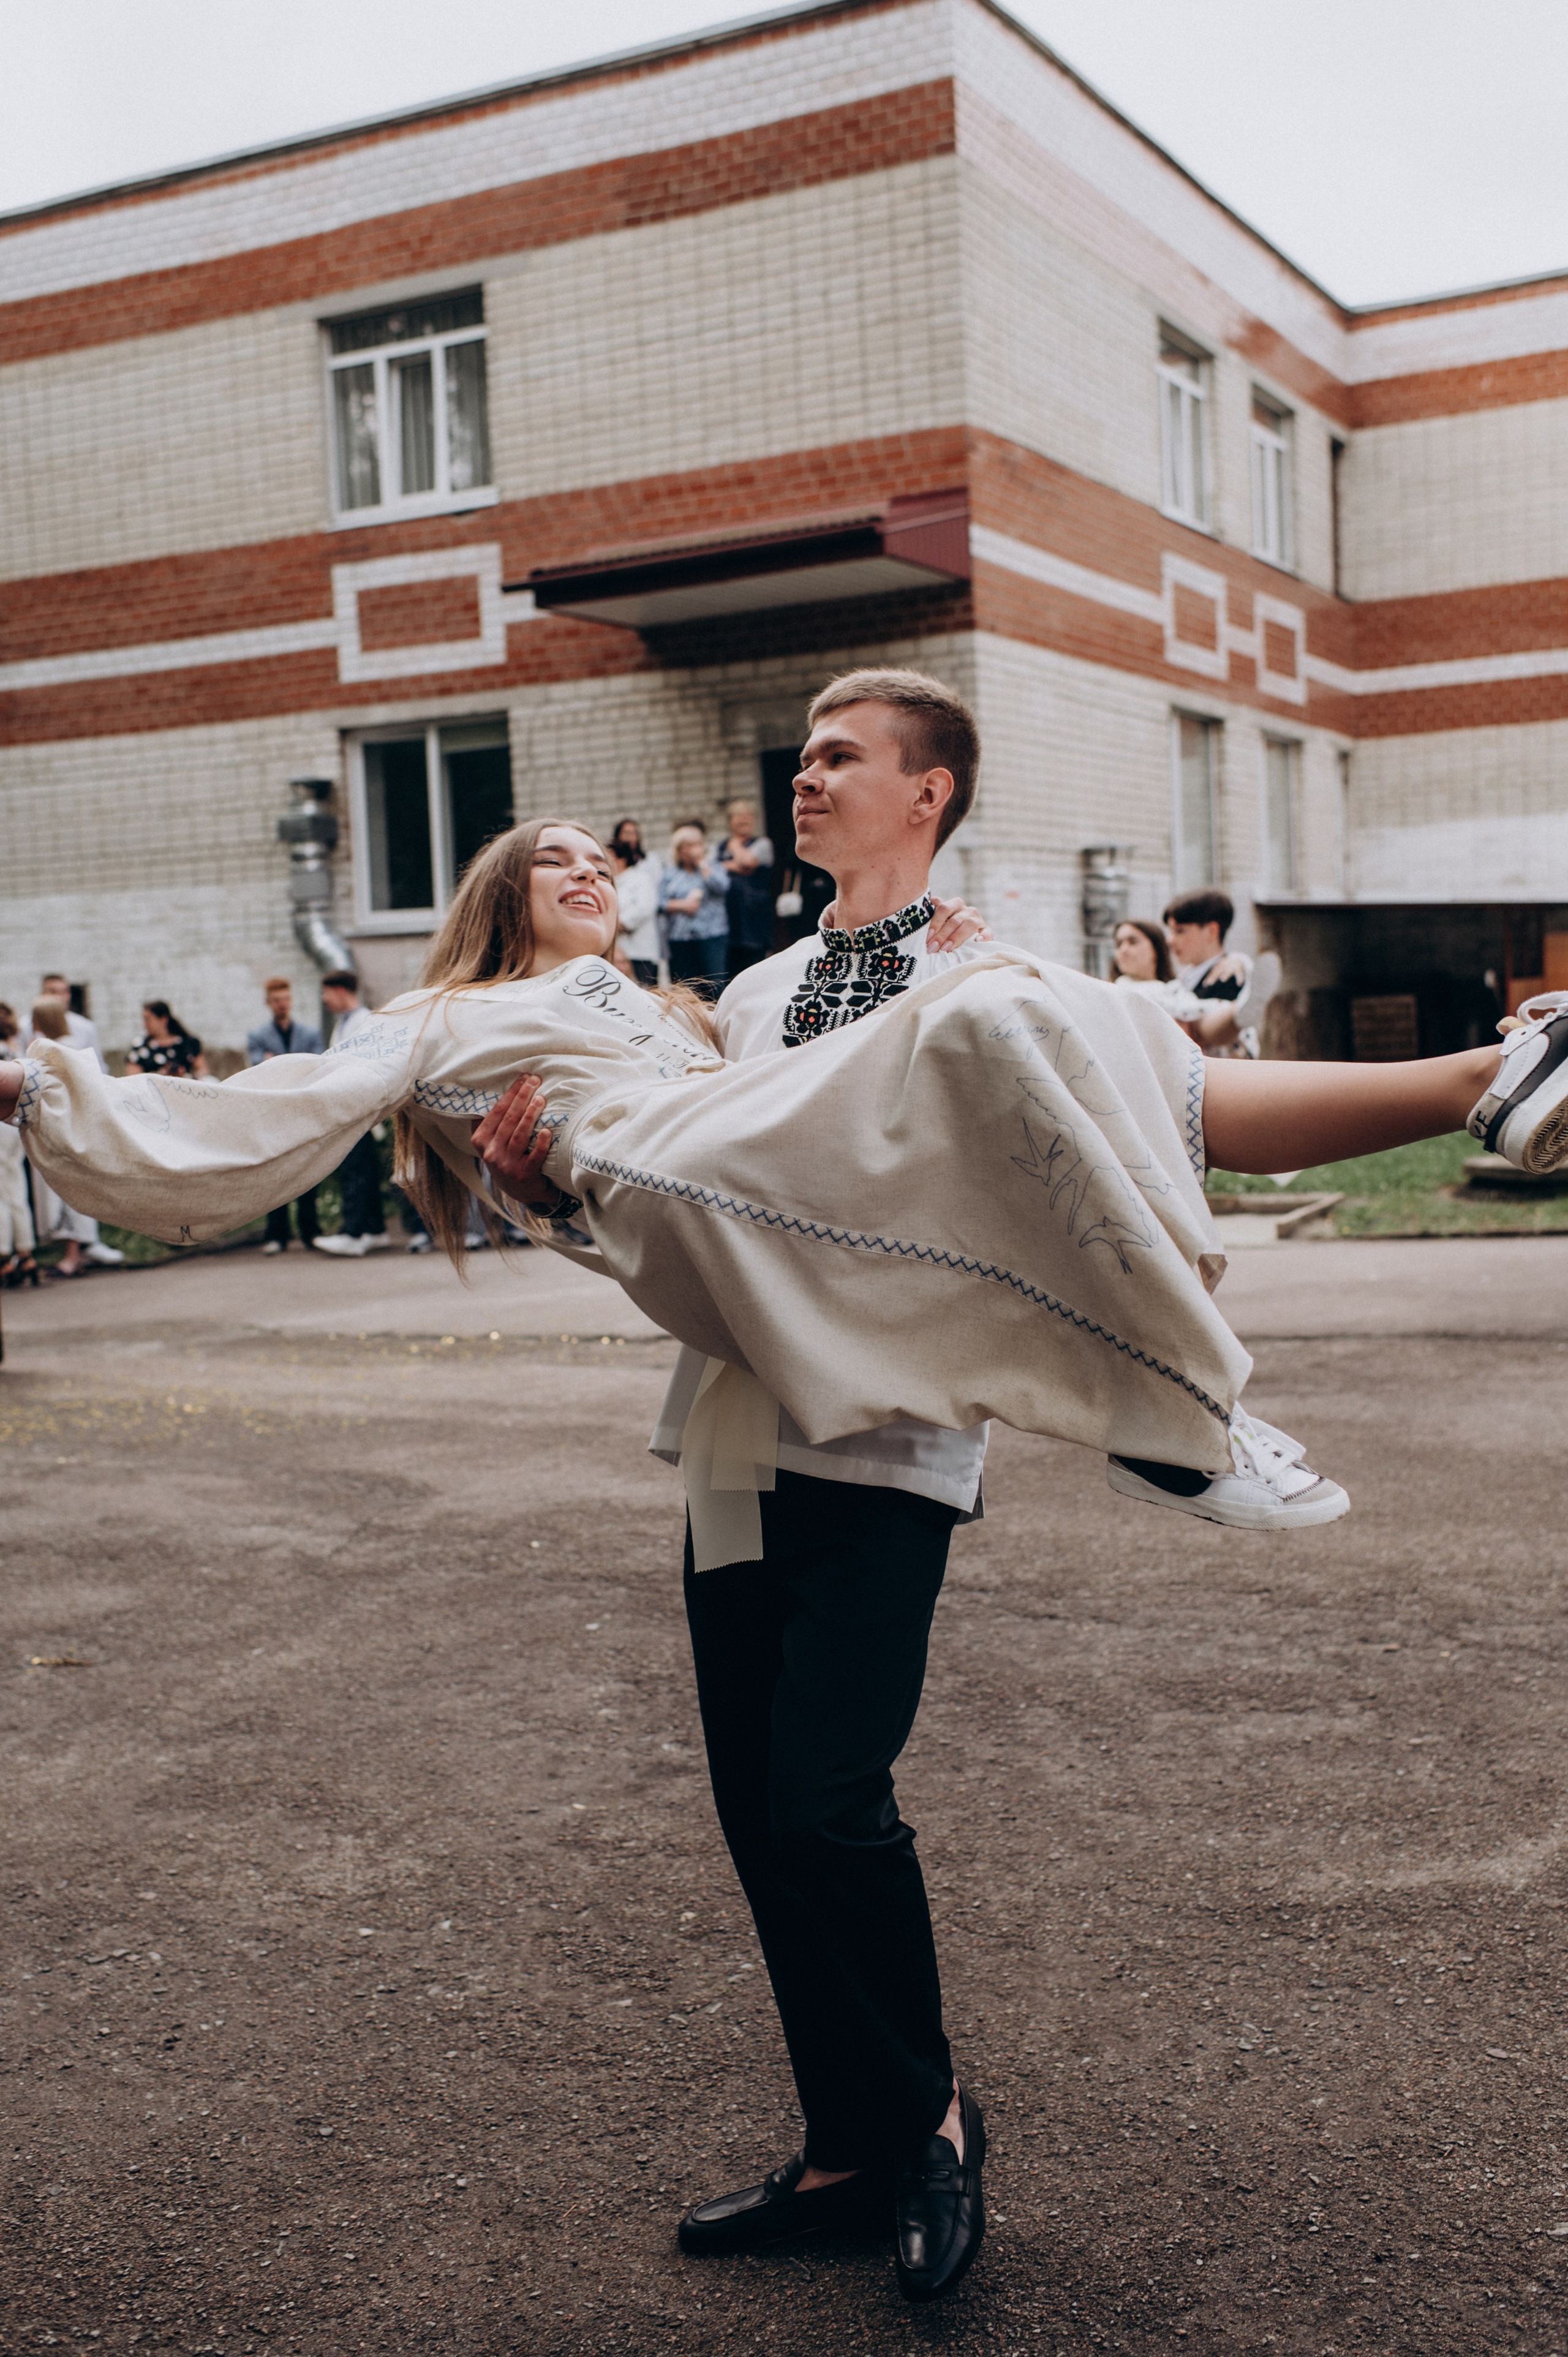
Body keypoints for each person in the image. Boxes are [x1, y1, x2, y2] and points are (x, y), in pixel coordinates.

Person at [7, 783, 1567, 2282]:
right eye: (545, 854)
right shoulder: (564, 1011)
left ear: (926, 794)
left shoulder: (746, 1007)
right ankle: (845, 2147)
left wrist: (1180, 1017)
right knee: (768, 1821)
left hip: (884, 1435)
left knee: (825, 1802)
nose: (583, 863)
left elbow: (1049, 1089)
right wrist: (54, 1088)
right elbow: (259, 1112)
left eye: (591, 853)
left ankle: (931, 2106)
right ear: (493, 902)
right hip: (740, 1431)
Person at [23, 997, 126, 1275]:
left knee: (69, 1187)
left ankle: (74, 1253)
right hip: (69, 1123)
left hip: (66, 1125)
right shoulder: (65, 1044)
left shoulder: (57, 1048)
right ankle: (75, 1250)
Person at [311, 971, 392, 1259]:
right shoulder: (343, 1024)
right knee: (363, 1170)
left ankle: (353, 1233)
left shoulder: (364, 1022)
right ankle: (375, 1230)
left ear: (341, 991)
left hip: (357, 1109)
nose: (324, 999)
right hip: (351, 1110)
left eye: (327, 992)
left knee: (355, 1172)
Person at [246, 977, 323, 1254]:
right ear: (269, 1003)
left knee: (307, 1171)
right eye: (277, 1000)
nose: (283, 1005)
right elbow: (257, 1070)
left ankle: (310, 1231)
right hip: (273, 1114)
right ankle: (277, 1234)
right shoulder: (257, 1036)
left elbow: (316, 1068)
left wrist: (275, 1064)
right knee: (275, 1175)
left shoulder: (310, 1034)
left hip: (303, 1113)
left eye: (286, 999)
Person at [658, 823, 729, 998]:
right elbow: (660, 903)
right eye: (688, 846)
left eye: (697, 844)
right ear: (679, 850)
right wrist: (683, 905)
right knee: (686, 990)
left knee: (714, 987)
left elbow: (722, 887)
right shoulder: (671, 873)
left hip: (711, 936)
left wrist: (702, 864)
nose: (693, 850)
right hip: (680, 939)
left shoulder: (712, 867)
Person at [717, 800, 775, 982]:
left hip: (754, 916)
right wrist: (737, 866)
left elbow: (748, 862)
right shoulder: (719, 846)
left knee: (754, 965)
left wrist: (734, 845)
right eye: (739, 815)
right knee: (731, 969)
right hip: (728, 916)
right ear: (730, 821)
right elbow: (714, 869)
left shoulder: (763, 844)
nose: (744, 819)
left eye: (748, 815)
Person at [0, 1004, 37, 1286]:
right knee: (17, 1189)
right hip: (16, 1124)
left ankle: (3, 1255)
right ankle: (26, 1253)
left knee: (1, 1193)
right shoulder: (17, 1047)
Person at [1112, 920, 1204, 1024]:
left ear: (1156, 949)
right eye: (1118, 944)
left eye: (1133, 942)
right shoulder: (1113, 994)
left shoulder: (1177, 990)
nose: (1123, 950)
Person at [609, 832, 662, 987]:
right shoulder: (609, 882)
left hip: (640, 951)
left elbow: (644, 907)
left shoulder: (641, 879)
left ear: (622, 859)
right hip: (618, 953)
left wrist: (618, 924)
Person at [127, 1000, 206, 1079]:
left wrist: (185, 1075)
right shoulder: (140, 1046)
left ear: (163, 1019)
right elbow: (134, 1078)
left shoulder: (188, 1043)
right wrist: (162, 1075)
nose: (145, 1024)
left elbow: (203, 1071)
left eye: (148, 1019)